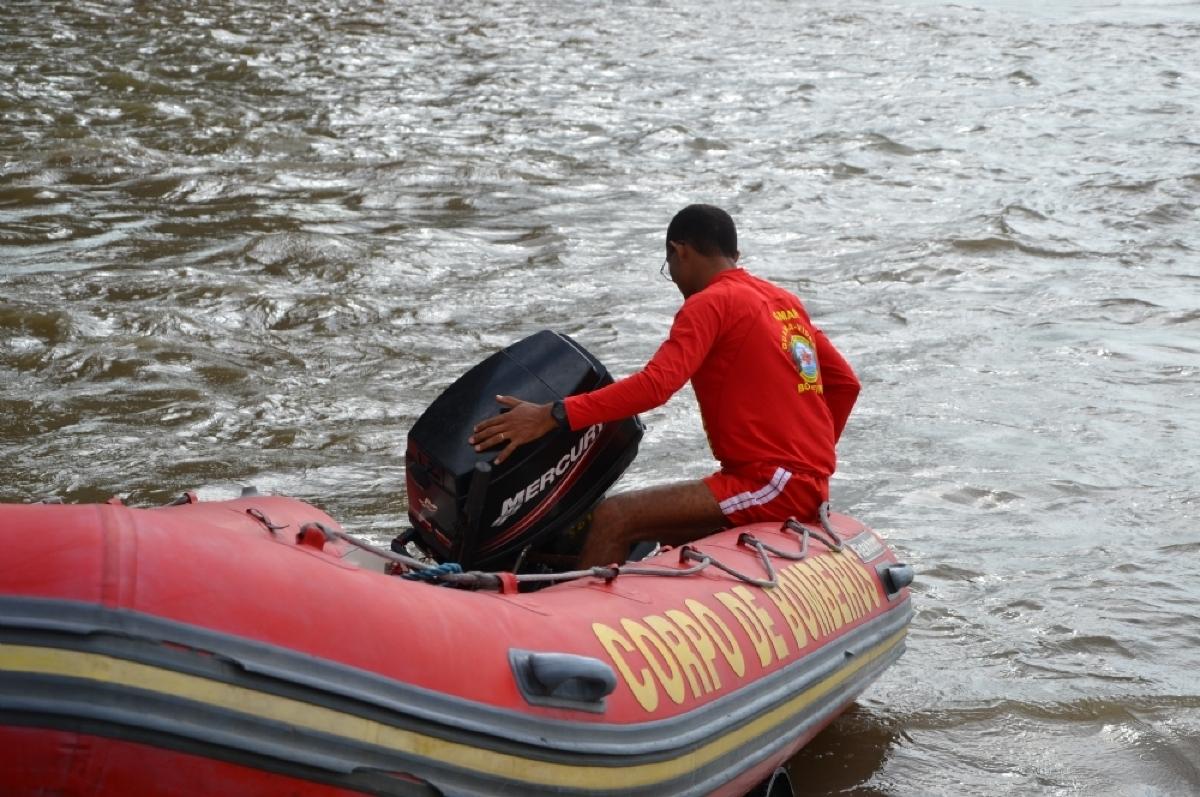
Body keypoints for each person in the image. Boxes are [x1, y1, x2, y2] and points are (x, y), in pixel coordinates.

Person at [469, 204, 860, 568]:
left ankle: (579, 631)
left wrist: (553, 415)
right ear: (733, 257)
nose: (672, 276)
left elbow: (656, 386)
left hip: (770, 481)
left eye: (668, 264)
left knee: (614, 517)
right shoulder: (782, 301)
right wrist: (811, 460)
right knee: (656, 533)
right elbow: (844, 384)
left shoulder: (709, 303)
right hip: (792, 480)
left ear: (680, 251)